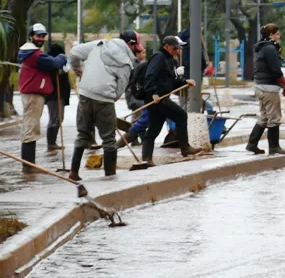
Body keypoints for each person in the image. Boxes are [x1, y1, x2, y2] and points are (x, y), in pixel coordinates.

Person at [68, 30, 141, 180]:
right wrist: (110, 99)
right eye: (136, 47)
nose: (136, 51)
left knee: (82, 135)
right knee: (108, 139)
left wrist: (78, 70)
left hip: (85, 95)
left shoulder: (99, 44)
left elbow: (74, 53)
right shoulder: (127, 63)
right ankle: (110, 175)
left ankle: (73, 173)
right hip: (105, 99)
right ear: (130, 44)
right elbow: (121, 88)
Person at [140, 35, 199, 165]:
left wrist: (184, 81)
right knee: (181, 116)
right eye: (175, 48)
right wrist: (153, 93)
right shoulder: (159, 57)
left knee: (153, 130)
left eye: (179, 48)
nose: (178, 51)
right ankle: (185, 148)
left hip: (162, 97)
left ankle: (146, 159)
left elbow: (169, 82)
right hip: (157, 98)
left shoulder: (170, 61)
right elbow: (149, 75)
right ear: (166, 46)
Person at [17, 23, 66, 171]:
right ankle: (29, 166)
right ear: (31, 36)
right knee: (31, 128)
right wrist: (62, 57)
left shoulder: (32, 52)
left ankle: (29, 164)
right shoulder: (33, 53)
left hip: (33, 95)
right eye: (38, 36)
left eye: (43, 36)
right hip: (33, 96)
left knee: (31, 127)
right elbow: (53, 62)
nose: (41, 38)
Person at [246, 23, 285, 156]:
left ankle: (252, 144)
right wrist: (284, 83)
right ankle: (274, 147)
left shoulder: (260, 47)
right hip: (269, 88)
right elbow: (275, 69)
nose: (278, 36)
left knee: (265, 117)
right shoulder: (270, 48)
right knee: (274, 117)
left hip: (260, 86)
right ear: (271, 35)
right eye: (277, 34)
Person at [45, 42, 71, 156]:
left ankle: (53, 142)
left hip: (61, 96)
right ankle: (51, 143)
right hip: (54, 96)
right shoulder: (51, 64)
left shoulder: (61, 65)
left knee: (59, 118)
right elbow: (53, 80)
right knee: (54, 118)